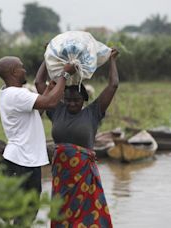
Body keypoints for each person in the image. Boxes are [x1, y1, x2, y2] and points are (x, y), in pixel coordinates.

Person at [35, 49, 119, 228]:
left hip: (84, 177)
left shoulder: (93, 113)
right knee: (62, 213)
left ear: (84, 100)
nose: (72, 103)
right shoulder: (56, 110)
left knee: (88, 216)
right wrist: (46, 57)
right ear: (63, 98)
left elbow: (113, 85)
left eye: (77, 100)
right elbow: (38, 82)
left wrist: (112, 60)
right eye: (68, 100)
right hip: (62, 177)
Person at [0, 56, 76, 223]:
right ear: (14, 72)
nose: (25, 70)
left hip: (28, 160)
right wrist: (65, 75)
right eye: (22, 67)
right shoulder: (16, 94)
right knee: (22, 213)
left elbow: (37, 111)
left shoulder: (13, 94)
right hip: (20, 160)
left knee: (28, 213)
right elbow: (51, 102)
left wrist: (49, 86)